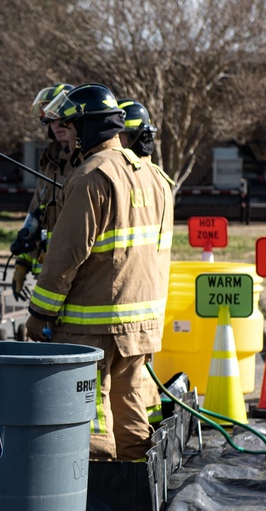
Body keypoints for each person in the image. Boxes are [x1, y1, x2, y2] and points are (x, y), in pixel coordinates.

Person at [27, 83, 171, 461]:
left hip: (93, 326)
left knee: (89, 417)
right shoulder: (155, 177)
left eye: (73, 128)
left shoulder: (92, 175)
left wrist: (39, 313)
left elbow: (65, 255)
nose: (69, 136)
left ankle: (97, 501)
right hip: (141, 323)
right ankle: (137, 491)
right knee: (130, 408)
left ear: (88, 129)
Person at [118, 97, 175, 427]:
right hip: (151, 300)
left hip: (131, 301)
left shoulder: (134, 180)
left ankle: (140, 451)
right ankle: (153, 439)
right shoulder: (161, 180)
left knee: (128, 387)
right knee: (140, 379)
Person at [11, 83, 75, 301]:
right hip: (47, 274)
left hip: (74, 276)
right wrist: (24, 261)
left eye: (60, 118)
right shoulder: (49, 160)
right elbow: (37, 214)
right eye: (50, 119)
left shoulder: (86, 162)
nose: (55, 125)